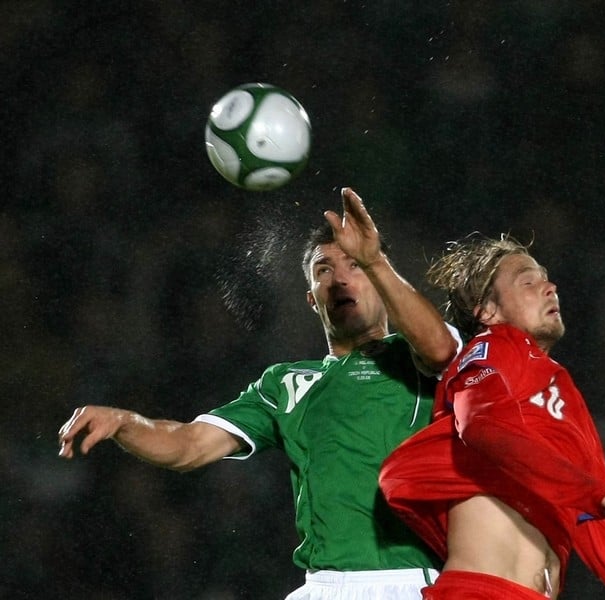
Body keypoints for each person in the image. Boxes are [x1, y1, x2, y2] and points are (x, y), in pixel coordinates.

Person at [58, 187, 461, 599]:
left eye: (354, 266)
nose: (339, 278)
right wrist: (124, 422)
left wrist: (375, 260)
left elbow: (440, 349)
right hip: (320, 586)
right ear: (311, 300)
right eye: (323, 270)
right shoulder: (285, 384)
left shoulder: (413, 355)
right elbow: (189, 445)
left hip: (409, 581)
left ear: (379, 281)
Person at [380, 233, 605, 599]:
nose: (550, 286)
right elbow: (481, 426)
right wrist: (589, 492)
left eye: (546, 278)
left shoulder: (561, 398)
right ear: (489, 311)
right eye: (528, 281)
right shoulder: (493, 347)